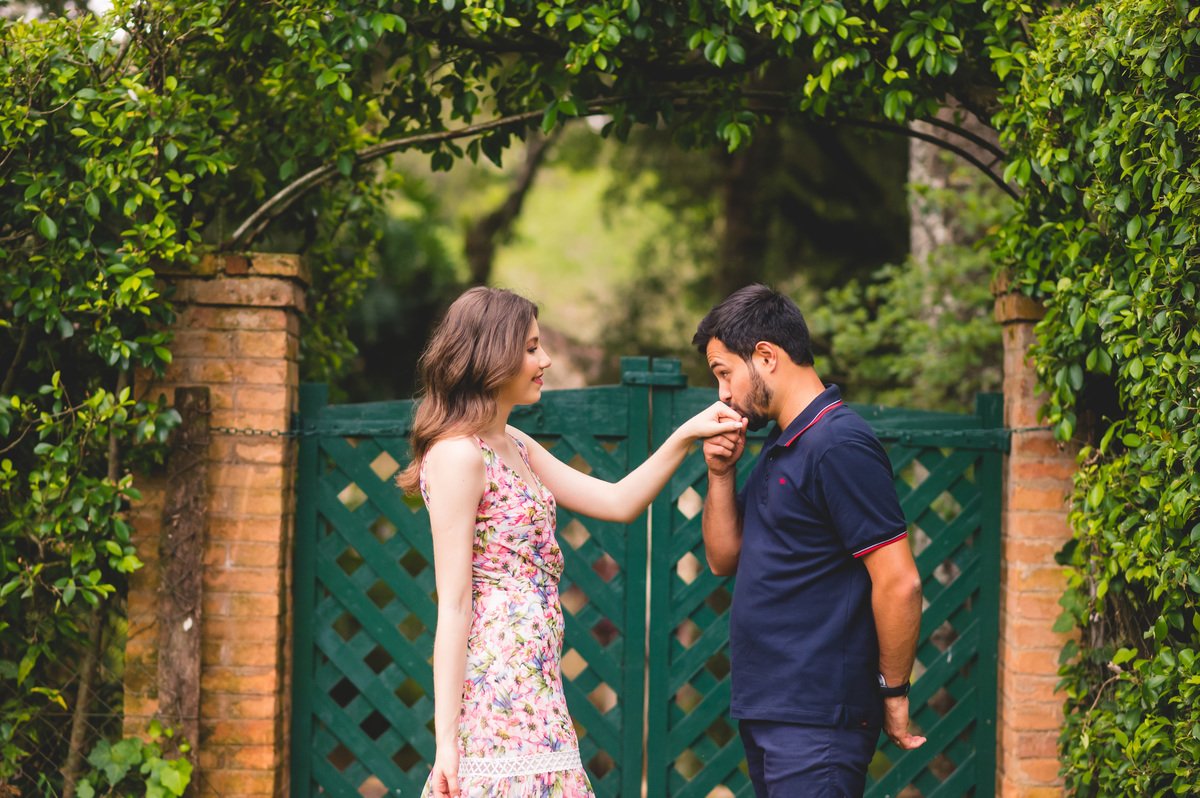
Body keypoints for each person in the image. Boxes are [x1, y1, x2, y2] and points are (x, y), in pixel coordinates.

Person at [397, 286, 744, 798]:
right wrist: (445, 742)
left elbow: (618, 501)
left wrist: (685, 434)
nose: (545, 361)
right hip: (498, 685)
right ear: (492, 354)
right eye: (531, 348)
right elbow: (454, 604)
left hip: (537, 675)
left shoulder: (515, 444)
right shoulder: (458, 456)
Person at [693, 284, 926, 798]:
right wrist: (721, 475)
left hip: (817, 722)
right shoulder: (784, 442)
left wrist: (894, 691)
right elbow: (723, 558)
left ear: (766, 356)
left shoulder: (838, 443)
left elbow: (900, 582)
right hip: (772, 710)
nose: (722, 394)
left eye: (724, 373)